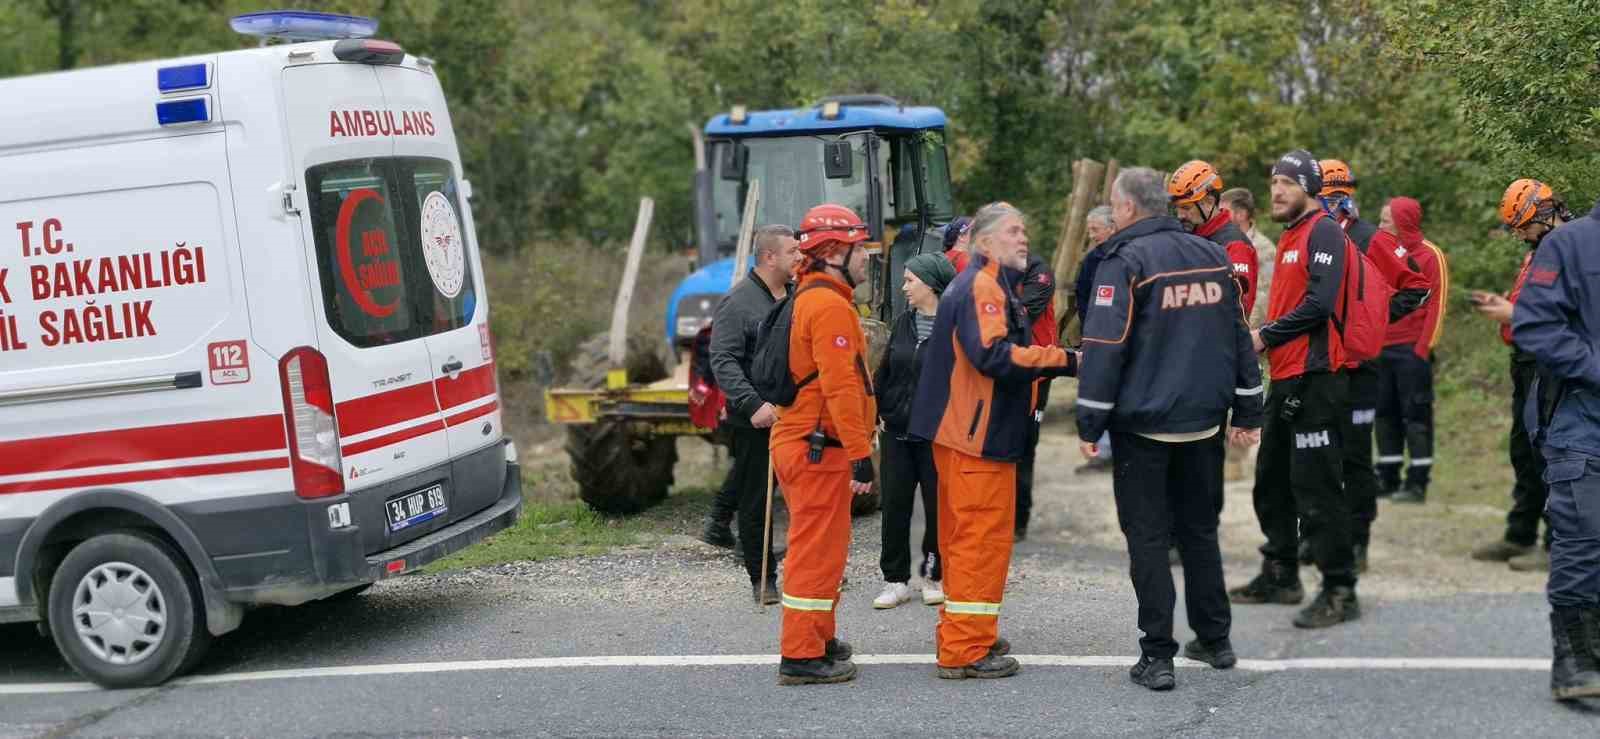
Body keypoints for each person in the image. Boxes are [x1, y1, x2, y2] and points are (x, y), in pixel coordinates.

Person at [1076, 166, 1265, 691]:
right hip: (1204, 425)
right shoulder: (1212, 254)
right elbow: (1238, 335)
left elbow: (1105, 349)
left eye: (1114, 206)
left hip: (1144, 430)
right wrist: (1250, 410)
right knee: (1200, 533)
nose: (1113, 215)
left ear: (1130, 208)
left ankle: (1157, 656)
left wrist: (1090, 420)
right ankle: (1215, 639)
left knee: (1149, 538)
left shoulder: (1124, 261)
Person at [909, 201, 1078, 679]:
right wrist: (1065, 360)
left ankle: (968, 635)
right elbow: (995, 356)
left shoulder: (985, 282)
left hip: (969, 434)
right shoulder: (983, 285)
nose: (1023, 239)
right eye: (1013, 231)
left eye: (1024, 230)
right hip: (975, 438)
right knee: (979, 542)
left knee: (970, 540)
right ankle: (965, 649)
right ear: (985, 243)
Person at [1228, 150, 1359, 630]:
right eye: (1273, 183)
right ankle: (1281, 574)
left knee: (1319, 490)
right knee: (1272, 482)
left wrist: (1265, 336)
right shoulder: (1291, 236)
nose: (1277, 190)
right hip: (1286, 377)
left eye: (1287, 181)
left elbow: (1320, 304)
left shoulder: (1323, 229)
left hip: (1318, 380)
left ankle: (1340, 588)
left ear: (1308, 186)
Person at [771, 204, 877, 685]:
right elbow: (841, 389)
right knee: (815, 552)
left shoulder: (819, 297)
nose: (866, 260)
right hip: (819, 446)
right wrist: (862, 455)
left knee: (826, 549)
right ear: (834, 251)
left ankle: (818, 637)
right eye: (861, 249)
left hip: (813, 443)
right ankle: (801, 654)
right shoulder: (828, 305)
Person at [1314, 164, 1432, 572]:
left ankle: (1358, 539)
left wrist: (1374, 320)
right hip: (1317, 368)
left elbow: (1418, 288)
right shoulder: (1309, 237)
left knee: (1355, 457)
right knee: (1317, 456)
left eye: (1325, 195)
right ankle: (1319, 537)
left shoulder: (1371, 238)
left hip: (1360, 369)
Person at [1508, 191, 1600, 702]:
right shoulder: (1569, 244)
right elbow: (1535, 325)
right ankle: (1576, 660)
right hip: (1583, 419)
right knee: (1584, 539)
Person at [1470, 179, 1572, 572]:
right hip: (1525, 360)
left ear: (1544, 214)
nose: (1519, 235)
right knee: (1523, 450)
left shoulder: (1567, 249)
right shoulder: (1537, 249)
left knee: (1547, 450)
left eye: (1523, 226)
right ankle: (1520, 532)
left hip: (1550, 361)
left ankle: (1556, 542)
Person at [704, 225, 798, 603]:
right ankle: (762, 579)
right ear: (769, 257)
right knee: (756, 499)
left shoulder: (795, 296)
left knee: (803, 496)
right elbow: (722, 359)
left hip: (795, 414)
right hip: (755, 418)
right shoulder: (738, 302)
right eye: (792, 251)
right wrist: (752, 404)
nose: (799, 257)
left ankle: (810, 571)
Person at [873, 254, 956, 609]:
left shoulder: (955, 327)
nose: (904, 287)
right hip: (897, 432)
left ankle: (933, 575)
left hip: (936, 435)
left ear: (931, 284)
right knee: (894, 506)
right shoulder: (903, 324)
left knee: (937, 509)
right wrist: (879, 411)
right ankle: (895, 580)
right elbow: (886, 373)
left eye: (910, 280)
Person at [1374, 197, 1449, 503]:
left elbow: (1437, 306)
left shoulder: (1431, 255)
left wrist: (1423, 349)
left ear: (1403, 224)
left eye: (1385, 221)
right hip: (1380, 349)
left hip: (1412, 350)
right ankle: (1388, 478)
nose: (1379, 227)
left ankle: (1417, 482)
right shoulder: (1381, 251)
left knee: (1415, 414)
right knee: (1384, 414)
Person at [1168, 160, 1259, 318]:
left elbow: (1238, 311)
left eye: (1186, 208)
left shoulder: (1235, 245)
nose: (1180, 215)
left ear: (1209, 202)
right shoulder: (1191, 236)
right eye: (1177, 208)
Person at [1014, 252, 1059, 541]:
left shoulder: (1038, 271)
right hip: (1006, 369)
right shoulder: (992, 270)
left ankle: (1019, 519)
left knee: (1025, 445)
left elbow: (1024, 311)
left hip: (1037, 372)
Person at [1072, 205, 1118, 475]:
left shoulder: (1127, 255)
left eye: (1095, 229)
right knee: (1098, 389)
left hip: (1119, 336)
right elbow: (1084, 295)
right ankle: (1101, 451)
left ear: (1112, 227)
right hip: (1097, 334)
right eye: (1089, 229)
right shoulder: (1093, 259)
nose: (1091, 235)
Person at [1221, 187, 1276, 327]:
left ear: (1241, 214)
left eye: (1223, 212)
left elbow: (1264, 297)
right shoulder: (1224, 243)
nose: (1219, 216)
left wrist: (1245, 333)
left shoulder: (1264, 249)